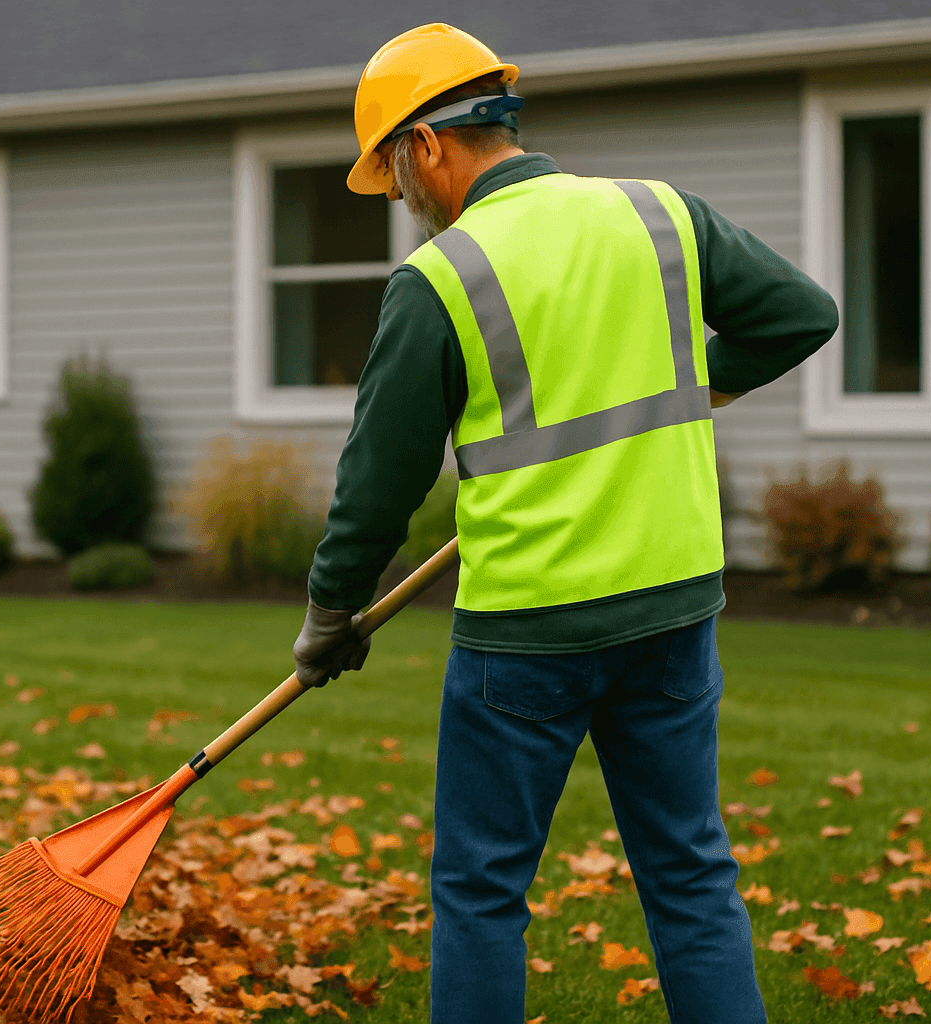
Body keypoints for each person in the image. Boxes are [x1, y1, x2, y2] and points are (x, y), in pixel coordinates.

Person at [292, 22, 838, 1024]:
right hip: (673, 605)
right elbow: (802, 314)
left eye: (395, 174)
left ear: (427, 145)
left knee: (481, 889)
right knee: (690, 874)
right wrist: (700, 382)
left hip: (527, 630)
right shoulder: (660, 215)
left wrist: (332, 609)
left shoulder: (440, 278)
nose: (403, 201)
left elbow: (379, 482)